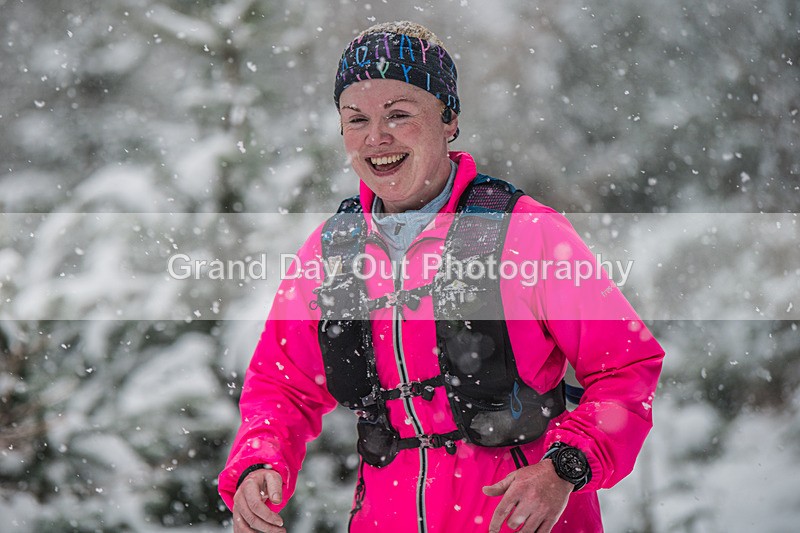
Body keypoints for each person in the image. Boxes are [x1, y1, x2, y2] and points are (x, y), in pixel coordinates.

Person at [218, 21, 664, 533]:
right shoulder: (331, 252)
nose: (376, 137)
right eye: (357, 119)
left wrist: (565, 467)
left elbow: (626, 367)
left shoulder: (525, 232)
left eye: (399, 114)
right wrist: (259, 461)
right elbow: (282, 385)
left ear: (449, 119)